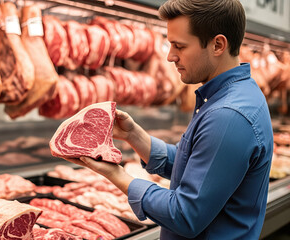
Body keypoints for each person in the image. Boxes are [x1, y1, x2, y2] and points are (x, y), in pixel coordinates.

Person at [64, 0, 274, 239]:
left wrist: (116, 175)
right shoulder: (233, 96)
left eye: (179, 46)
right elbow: (199, 168)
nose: (170, 56)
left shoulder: (228, 115)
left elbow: (185, 215)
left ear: (218, 45)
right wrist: (134, 135)